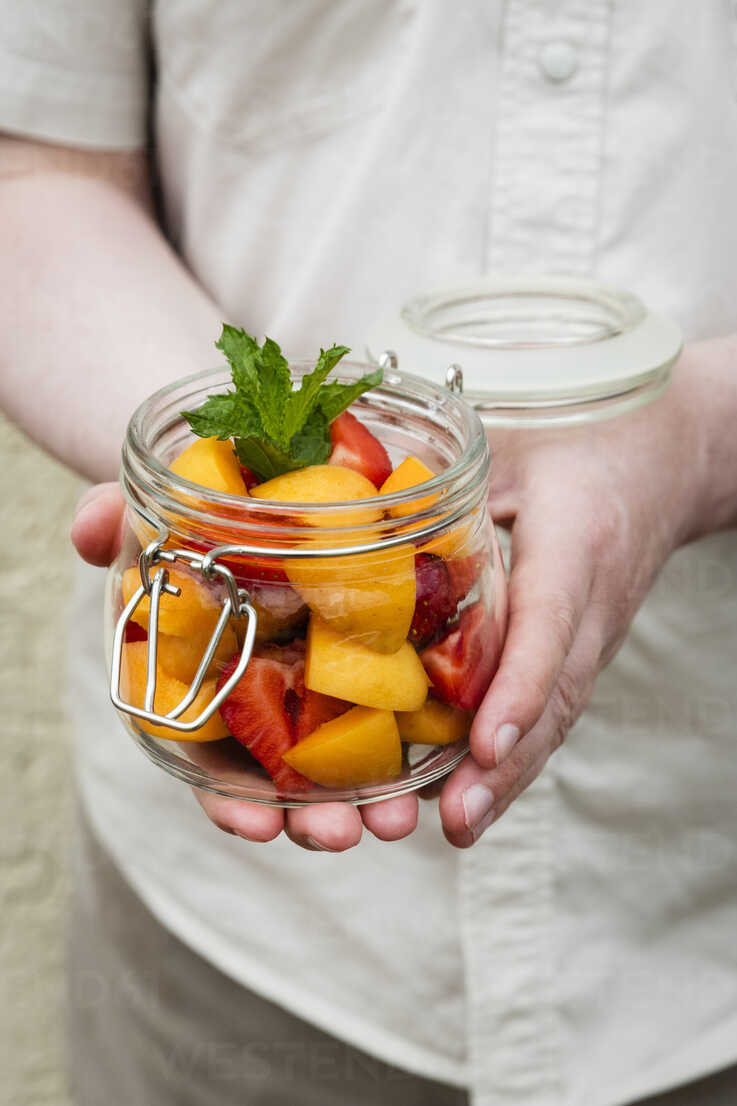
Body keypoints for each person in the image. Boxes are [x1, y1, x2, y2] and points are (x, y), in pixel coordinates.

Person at [1, 2, 736, 1104]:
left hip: (701, 922)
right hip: (242, 945)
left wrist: (701, 438)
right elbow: (34, 169)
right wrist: (237, 517)